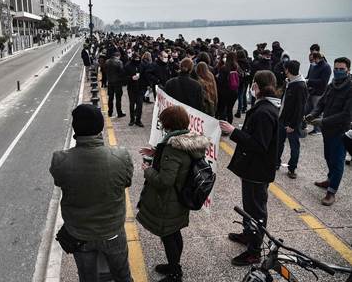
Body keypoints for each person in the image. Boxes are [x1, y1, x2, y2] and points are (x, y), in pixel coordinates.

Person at [50, 104, 133, 282]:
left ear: (76, 128)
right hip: (112, 231)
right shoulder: (121, 156)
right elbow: (127, 182)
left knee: (87, 278)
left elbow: (59, 181)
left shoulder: (60, 160)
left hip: (80, 234)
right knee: (123, 276)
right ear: (100, 126)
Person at [137, 105, 210, 282]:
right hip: (181, 197)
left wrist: (147, 170)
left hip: (169, 200)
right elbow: (180, 163)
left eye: (162, 123)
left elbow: (165, 181)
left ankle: (175, 273)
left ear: (169, 124)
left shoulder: (173, 147)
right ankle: (174, 265)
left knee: (168, 234)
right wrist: (157, 153)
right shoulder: (188, 141)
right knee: (174, 232)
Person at [220, 70, 280, 266]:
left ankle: (254, 251)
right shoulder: (266, 107)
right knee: (250, 208)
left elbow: (259, 145)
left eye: (253, 84)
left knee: (256, 211)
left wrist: (233, 132)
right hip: (255, 169)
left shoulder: (264, 112)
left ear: (257, 86)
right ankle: (248, 235)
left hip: (257, 171)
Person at [306, 57, 352, 206]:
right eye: (336, 68)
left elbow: (346, 114)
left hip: (340, 131)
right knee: (328, 157)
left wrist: (322, 121)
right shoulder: (332, 84)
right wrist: (313, 114)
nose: (338, 71)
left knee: (338, 161)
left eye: (341, 69)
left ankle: (331, 192)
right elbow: (322, 103)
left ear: (348, 70)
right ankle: (330, 179)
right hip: (327, 130)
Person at [277, 60, 308, 178]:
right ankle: (276, 163)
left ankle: (292, 168)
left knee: (294, 145)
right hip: (282, 118)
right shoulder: (289, 82)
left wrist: (293, 125)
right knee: (279, 142)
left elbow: (300, 108)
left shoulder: (300, 86)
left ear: (287, 70)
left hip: (292, 122)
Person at [304, 51, 332, 135]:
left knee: (317, 110)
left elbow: (323, 82)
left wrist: (309, 81)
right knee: (307, 109)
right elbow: (311, 76)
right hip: (311, 91)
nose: (313, 61)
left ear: (318, 58)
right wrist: (306, 81)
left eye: (314, 59)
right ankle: (304, 124)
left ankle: (318, 129)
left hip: (319, 93)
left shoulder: (326, 67)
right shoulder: (315, 66)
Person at [125, 52, 147, 127]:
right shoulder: (128, 66)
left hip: (140, 88)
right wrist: (131, 78)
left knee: (140, 105)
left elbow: (145, 75)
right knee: (132, 104)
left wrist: (146, 85)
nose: (137, 60)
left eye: (138, 58)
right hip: (131, 88)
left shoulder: (142, 65)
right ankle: (132, 119)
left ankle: (138, 120)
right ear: (133, 58)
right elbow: (124, 77)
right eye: (136, 58)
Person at [216, 52, 239, 124]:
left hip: (224, 91)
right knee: (230, 109)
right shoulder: (237, 67)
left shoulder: (224, 68)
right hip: (234, 91)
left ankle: (222, 126)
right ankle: (229, 125)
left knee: (222, 109)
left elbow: (220, 80)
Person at [105, 52, 127, 118]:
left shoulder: (107, 61)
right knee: (118, 98)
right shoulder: (119, 62)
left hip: (110, 82)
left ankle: (110, 112)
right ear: (118, 56)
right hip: (118, 82)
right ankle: (119, 112)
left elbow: (105, 70)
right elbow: (122, 72)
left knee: (110, 98)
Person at [235, 50, 251, 118]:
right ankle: (241, 109)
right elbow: (249, 70)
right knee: (242, 95)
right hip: (244, 81)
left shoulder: (236, 62)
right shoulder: (247, 62)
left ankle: (239, 110)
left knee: (238, 96)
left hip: (237, 80)